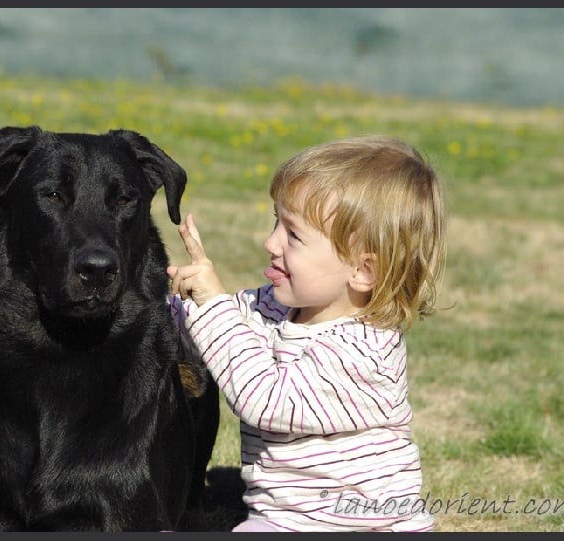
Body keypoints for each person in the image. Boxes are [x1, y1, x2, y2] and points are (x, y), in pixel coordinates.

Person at [166, 134, 446, 532]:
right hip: (289, 521)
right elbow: (214, 330)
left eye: (293, 234)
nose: (271, 242)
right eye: (275, 221)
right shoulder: (275, 308)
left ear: (363, 270)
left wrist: (212, 306)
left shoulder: (364, 353)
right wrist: (172, 303)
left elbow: (266, 399)